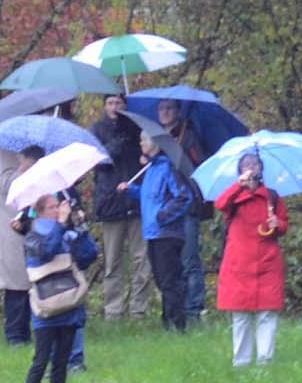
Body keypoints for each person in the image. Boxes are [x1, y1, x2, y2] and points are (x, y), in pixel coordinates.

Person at [19, 191, 99, 383]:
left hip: (70, 305)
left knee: (62, 362)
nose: (58, 210)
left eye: (59, 206)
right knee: (41, 361)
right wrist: (62, 225)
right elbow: (46, 252)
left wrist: (81, 228)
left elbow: (88, 257)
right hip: (46, 308)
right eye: (53, 207)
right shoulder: (32, 237)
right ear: (41, 211)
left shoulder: (66, 232)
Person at [214, 151, 290, 367]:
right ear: (239, 170)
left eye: (254, 164)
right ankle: (241, 362)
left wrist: (278, 225)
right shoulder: (234, 197)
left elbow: (284, 224)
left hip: (268, 263)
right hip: (239, 263)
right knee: (241, 316)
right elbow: (220, 205)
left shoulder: (272, 197)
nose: (250, 168)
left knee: (267, 314)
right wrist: (239, 185)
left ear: (261, 168)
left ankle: (265, 362)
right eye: (246, 165)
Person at [88, 94, 152, 321]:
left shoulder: (137, 128)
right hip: (111, 201)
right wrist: (117, 142)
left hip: (136, 202)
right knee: (113, 262)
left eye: (119, 103)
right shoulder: (97, 129)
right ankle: (113, 311)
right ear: (105, 106)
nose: (115, 107)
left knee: (141, 259)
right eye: (110, 103)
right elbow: (97, 161)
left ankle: (138, 310)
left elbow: (149, 154)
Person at [128, 132, 194, 331]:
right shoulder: (150, 168)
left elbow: (184, 197)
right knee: (161, 279)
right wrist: (131, 190)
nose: (140, 142)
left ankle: (178, 325)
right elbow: (150, 197)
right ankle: (168, 323)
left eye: (144, 139)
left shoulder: (168, 167)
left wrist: (163, 216)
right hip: (152, 233)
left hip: (167, 233)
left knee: (170, 280)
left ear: (155, 143)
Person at [157, 99, 211, 324]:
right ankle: (175, 311)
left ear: (178, 111)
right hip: (166, 209)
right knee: (171, 263)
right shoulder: (157, 138)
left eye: (169, 108)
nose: (165, 113)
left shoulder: (188, 136)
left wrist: (181, 153)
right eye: (161, 109)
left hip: (186, 207)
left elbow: (198, 168)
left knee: (189, 260)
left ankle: (194, 310)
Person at [0, 145, 38, 344]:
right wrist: (26, 168)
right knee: (16, 284)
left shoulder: (35, 145)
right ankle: (15, 335)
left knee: (29, 281)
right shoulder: (5, 150)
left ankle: (26, 333)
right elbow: (6, 184)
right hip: (12, 225)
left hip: (31, 224)